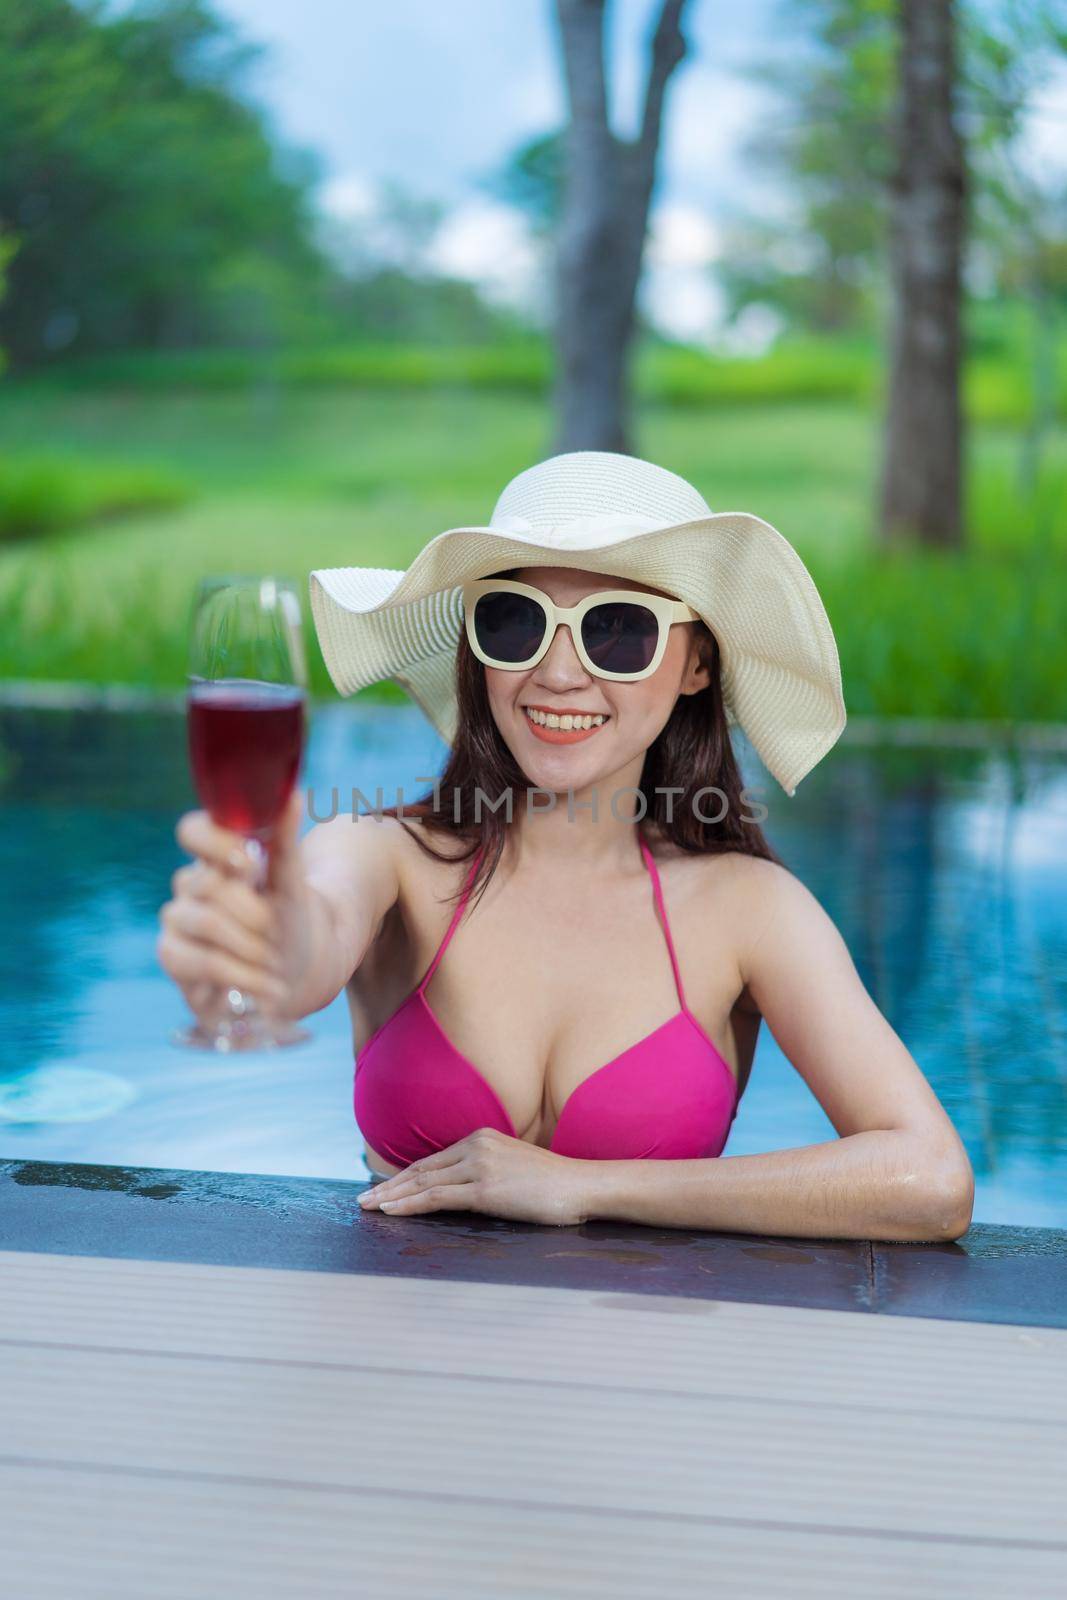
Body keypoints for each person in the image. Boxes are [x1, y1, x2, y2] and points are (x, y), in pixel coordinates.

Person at [158, 450, 975, 1241]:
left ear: (696, 663)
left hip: (637, 1366)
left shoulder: (748, 908)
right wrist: (254, 943)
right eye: (513, 624)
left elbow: (930, 1181)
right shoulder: (386, 854)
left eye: (617, 632)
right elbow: (303, 950)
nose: (555, 673)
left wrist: (586, 1187)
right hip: (403, 1361)